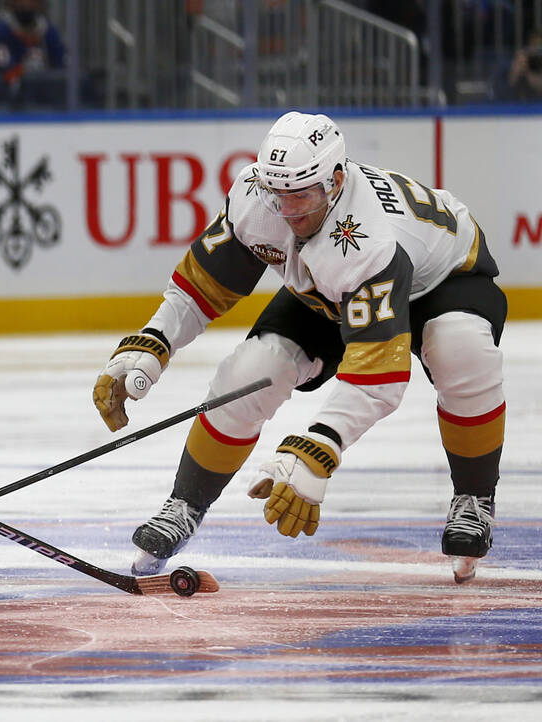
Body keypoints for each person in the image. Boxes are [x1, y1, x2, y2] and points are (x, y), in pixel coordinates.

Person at [93, 111, 506, 584]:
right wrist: (153, 341)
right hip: (333, 289)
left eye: (301, 195)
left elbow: (378, 375)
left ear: (335, 180)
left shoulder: (367, 237)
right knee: (248, 371)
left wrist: (319, 446)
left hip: (443, 278)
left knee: (460, 351)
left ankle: (475, 496)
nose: (287, 211)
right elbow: (201, 286)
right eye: (277, 193)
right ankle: (185, 503)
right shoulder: (256, 196)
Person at [0, 0, 66, 104]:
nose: (26, 5)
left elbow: (62, 67)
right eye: (21, 1)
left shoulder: (49, 32)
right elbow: (2, 67)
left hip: (42, 103)